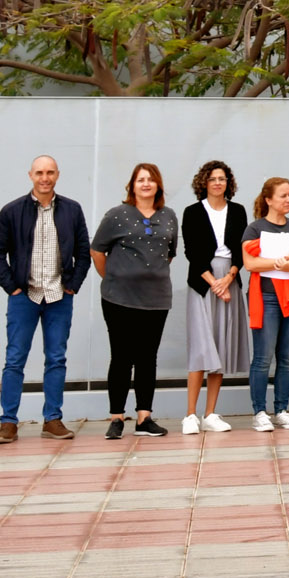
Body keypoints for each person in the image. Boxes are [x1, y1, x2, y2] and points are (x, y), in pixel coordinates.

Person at [0, 156, 88, 444]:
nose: (45, 177)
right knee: (14, 359)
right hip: (25, 296)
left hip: (59, 295)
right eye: (39, 172)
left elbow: (83, 251)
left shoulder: (72, 209)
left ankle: (52, 419)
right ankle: (8, 422)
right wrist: (12, 287)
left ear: (58, 175)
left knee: (56, 358)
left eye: (50, 172)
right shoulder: (12, 210)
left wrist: (73, 285)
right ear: (30, 175)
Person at [91, 162, 180, 439]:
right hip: (119, 299)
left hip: (156, 300)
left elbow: (170, 253)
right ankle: (117, 417)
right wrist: (115, 278)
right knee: (121, 357)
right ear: (132, 185)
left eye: (151, 180)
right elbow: (97, 251)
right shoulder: (116, 215)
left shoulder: (169, 216)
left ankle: (144, 418)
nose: (146, 184)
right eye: (140, 180)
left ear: (158, 186)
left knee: (147, 358)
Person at [180, 160, 248, 434]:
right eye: (212, 179)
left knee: (220, 346)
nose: (217, 183)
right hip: (202, 282)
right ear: (204, 183)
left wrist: (229, 279)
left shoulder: (238, 211)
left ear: (228, 183)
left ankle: (210, 413)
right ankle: (189, 415)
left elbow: (242, 249)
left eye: (222, 178)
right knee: (201, 347)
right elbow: (191, 252)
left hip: (229, 278)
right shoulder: (193, 212)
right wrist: (214, 283)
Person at [244, 177, 289, 431]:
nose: (288, 200)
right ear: (268, 200)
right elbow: (250, 263)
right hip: (266, 297)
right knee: (263, 357)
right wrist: (278, 262)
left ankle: (282, 409)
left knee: (287, 358)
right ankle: (259, 411)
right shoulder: (255, 229)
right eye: (283, 196)